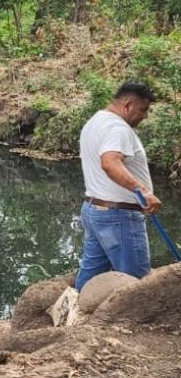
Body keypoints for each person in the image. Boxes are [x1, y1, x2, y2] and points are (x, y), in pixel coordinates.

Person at [75, 81, 161, 291]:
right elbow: (110, 162)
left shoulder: (95, 122)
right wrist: (142, 192)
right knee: (136, 283)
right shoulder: (117, 128)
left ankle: (73, 317)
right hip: (119, 216)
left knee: (91, 275)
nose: (145, 116)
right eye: (143, 109)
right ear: (128, 105)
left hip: (95, 210)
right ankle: (134, 323)